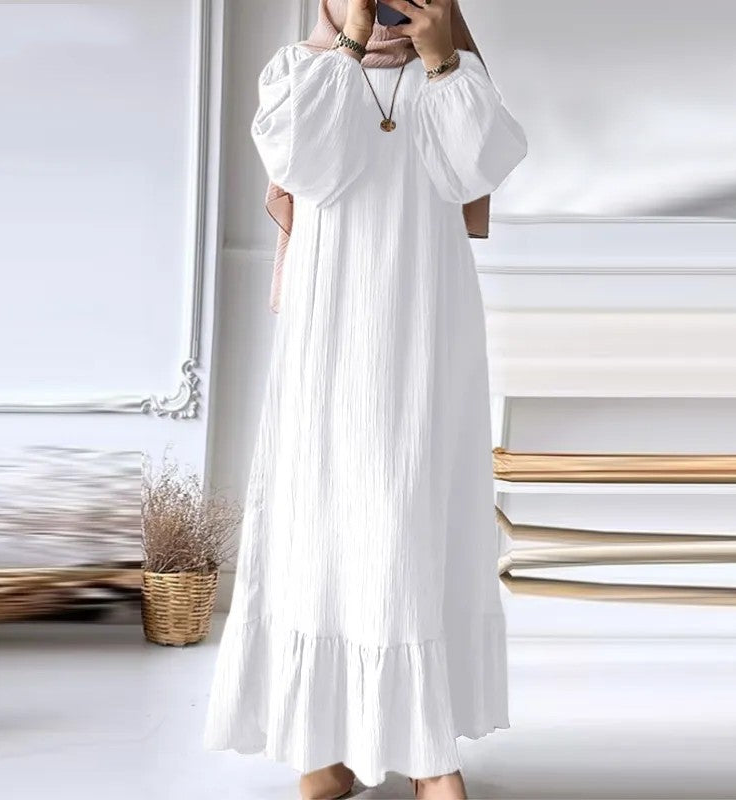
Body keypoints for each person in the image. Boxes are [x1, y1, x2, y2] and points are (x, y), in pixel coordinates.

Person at [203, 0, 527, 798]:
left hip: (425, 328)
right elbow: (306, 166)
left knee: (411, 513)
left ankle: (426, 753)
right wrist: (349, 42)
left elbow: (475, 169)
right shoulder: (300, 70)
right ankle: (324, 742)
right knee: (324, 517)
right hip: (330, 331)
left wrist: (442, 58)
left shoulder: (455, 73)